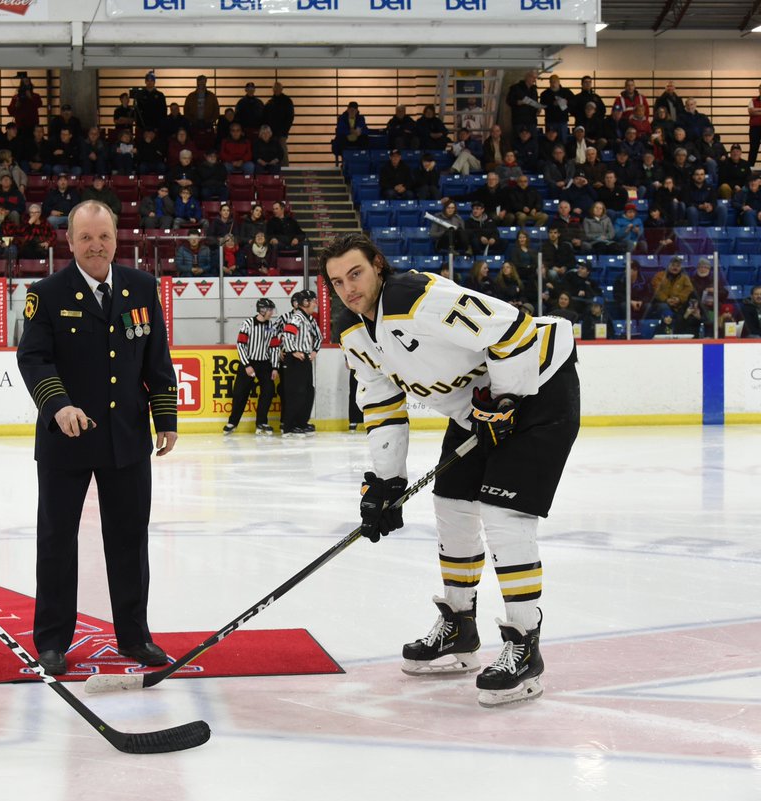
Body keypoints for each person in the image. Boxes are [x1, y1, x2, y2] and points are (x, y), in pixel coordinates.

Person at [320, 231, 579, 707]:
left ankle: (525, 645)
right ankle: (460, 627)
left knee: (504, 518)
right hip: (477, 408)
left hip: (538, 385)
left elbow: (515, 331)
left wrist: (503, 399)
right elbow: (381, 405)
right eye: (337, 282)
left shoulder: (415, 297)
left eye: (355, 273)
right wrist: (386, 481)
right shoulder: (353, 331)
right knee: (452, 505)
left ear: (378, 265)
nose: (348, 288)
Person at [15, 200, 178, 677]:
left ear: (116, 237)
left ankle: (134, 635)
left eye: (103, 236)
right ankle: (51, 641)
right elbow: (34, 359)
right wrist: (58, 404)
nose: (96, 245)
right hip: (65, 441)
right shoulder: (45, 293)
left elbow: (157, 360)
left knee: (129, 541)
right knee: (57, 542)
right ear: (69, 241)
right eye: (85, 237)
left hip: (126, 439)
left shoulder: (143, 287)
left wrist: (164, 419)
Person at [223, 298, 279, 436]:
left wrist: (275, 367)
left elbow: (274, 347)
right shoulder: (248, 324)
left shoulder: (270, 326)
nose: (272, 313)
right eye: (270, 310)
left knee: (268, 391)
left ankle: (261, 422)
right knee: (240, 393)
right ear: (262, 310)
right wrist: (247, 364)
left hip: (265, 363)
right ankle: (232, 423)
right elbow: (241, 345)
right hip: (248, 362)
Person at [279, 289, 321, 436]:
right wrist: (292, 351)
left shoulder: (309, 319)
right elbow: (287, 335)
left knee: (308, 392)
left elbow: (319, 337)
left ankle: (301, 423)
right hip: (295, 360)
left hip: (304, 360)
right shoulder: (297, 317)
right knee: (295, 393)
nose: (316, 303)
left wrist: (315, 351)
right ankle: (289, 426)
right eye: (313, 300)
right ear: (305, 302)